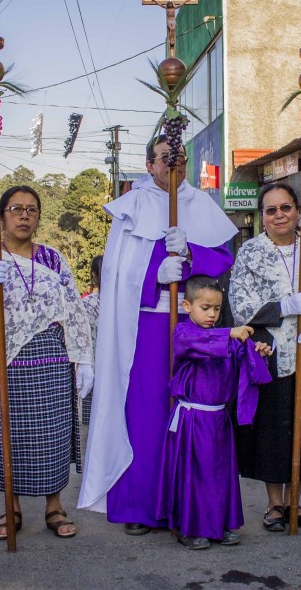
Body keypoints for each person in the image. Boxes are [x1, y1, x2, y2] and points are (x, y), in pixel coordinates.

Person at [78, 135, 238, 534]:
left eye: (179, 158)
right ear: (149, 165)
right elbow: (115, 273)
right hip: (147, 324)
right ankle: (141, 506)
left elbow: (222, 258)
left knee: (193, 414)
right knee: (148, 415)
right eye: (165, 159)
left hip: (193, 323)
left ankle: (192, 507)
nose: (173, 165)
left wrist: (191, 255)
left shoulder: (200, 204)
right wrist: (154, 273)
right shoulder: (132, 206)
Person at [0, 185, 94, 540]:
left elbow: (75, 314)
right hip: (2, 364)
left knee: (52, 434)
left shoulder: (53, 259)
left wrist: (83, 360)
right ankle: (11, 507)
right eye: (16, 209)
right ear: (2, 215)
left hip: (50, 360)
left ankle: (54, 505)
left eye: (31, 210)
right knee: (8, 436)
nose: (24, 216)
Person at [228, 182, 301, 533]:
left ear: (297, 211)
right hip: (270, 355)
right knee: (273, 431)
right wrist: (282, 307)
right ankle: (274, 504)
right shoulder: (249, 253)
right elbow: (240, 305)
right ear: (261, 217)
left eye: (286, 208)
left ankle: (296, 501)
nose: (279, 215)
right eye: (271, 210)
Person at [157, 276, 273, 550]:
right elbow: (200, 342)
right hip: (192, 419)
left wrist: (258, 352)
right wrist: (230, 334)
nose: (212, 314)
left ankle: (220, 525)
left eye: (217, 309)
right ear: (187, 305)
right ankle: (188, 528)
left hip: (219, 418)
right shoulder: (183, 333)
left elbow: (246, 366)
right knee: (193, 475)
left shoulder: (226, 338)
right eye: (205, 307)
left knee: (220, 474)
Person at [80, 255, 103, 425]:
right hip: (114, 368)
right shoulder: (125, 302)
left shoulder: (88, 303)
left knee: (93, 424)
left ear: (94, 275)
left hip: (94, 367)